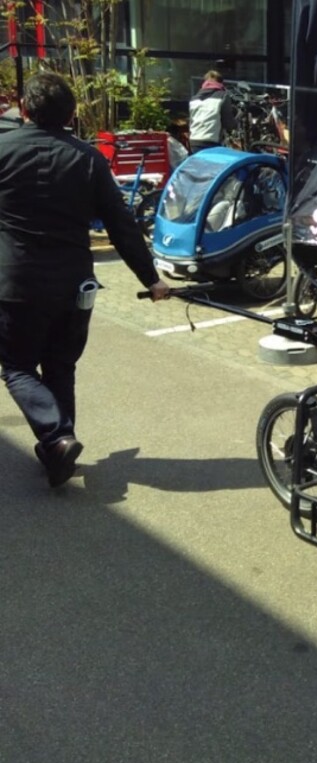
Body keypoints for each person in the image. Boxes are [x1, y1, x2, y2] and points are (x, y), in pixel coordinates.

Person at [0, 72, 170, 487]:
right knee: (61, 365)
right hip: (73, 284)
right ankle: (60, 452)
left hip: (15, 281)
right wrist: (152, 279)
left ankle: (57, 437)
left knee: (18, 366)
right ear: (72, 114)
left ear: (24, 109)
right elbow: (121, 224)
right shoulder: (88, 158)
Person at [189, 69, 236, 152]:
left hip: (194, 140)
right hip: (211, 141)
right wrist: (235, 123)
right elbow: (228, 123)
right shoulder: (223, 96)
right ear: (220, 83)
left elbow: (191, 121)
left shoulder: (194, 99)